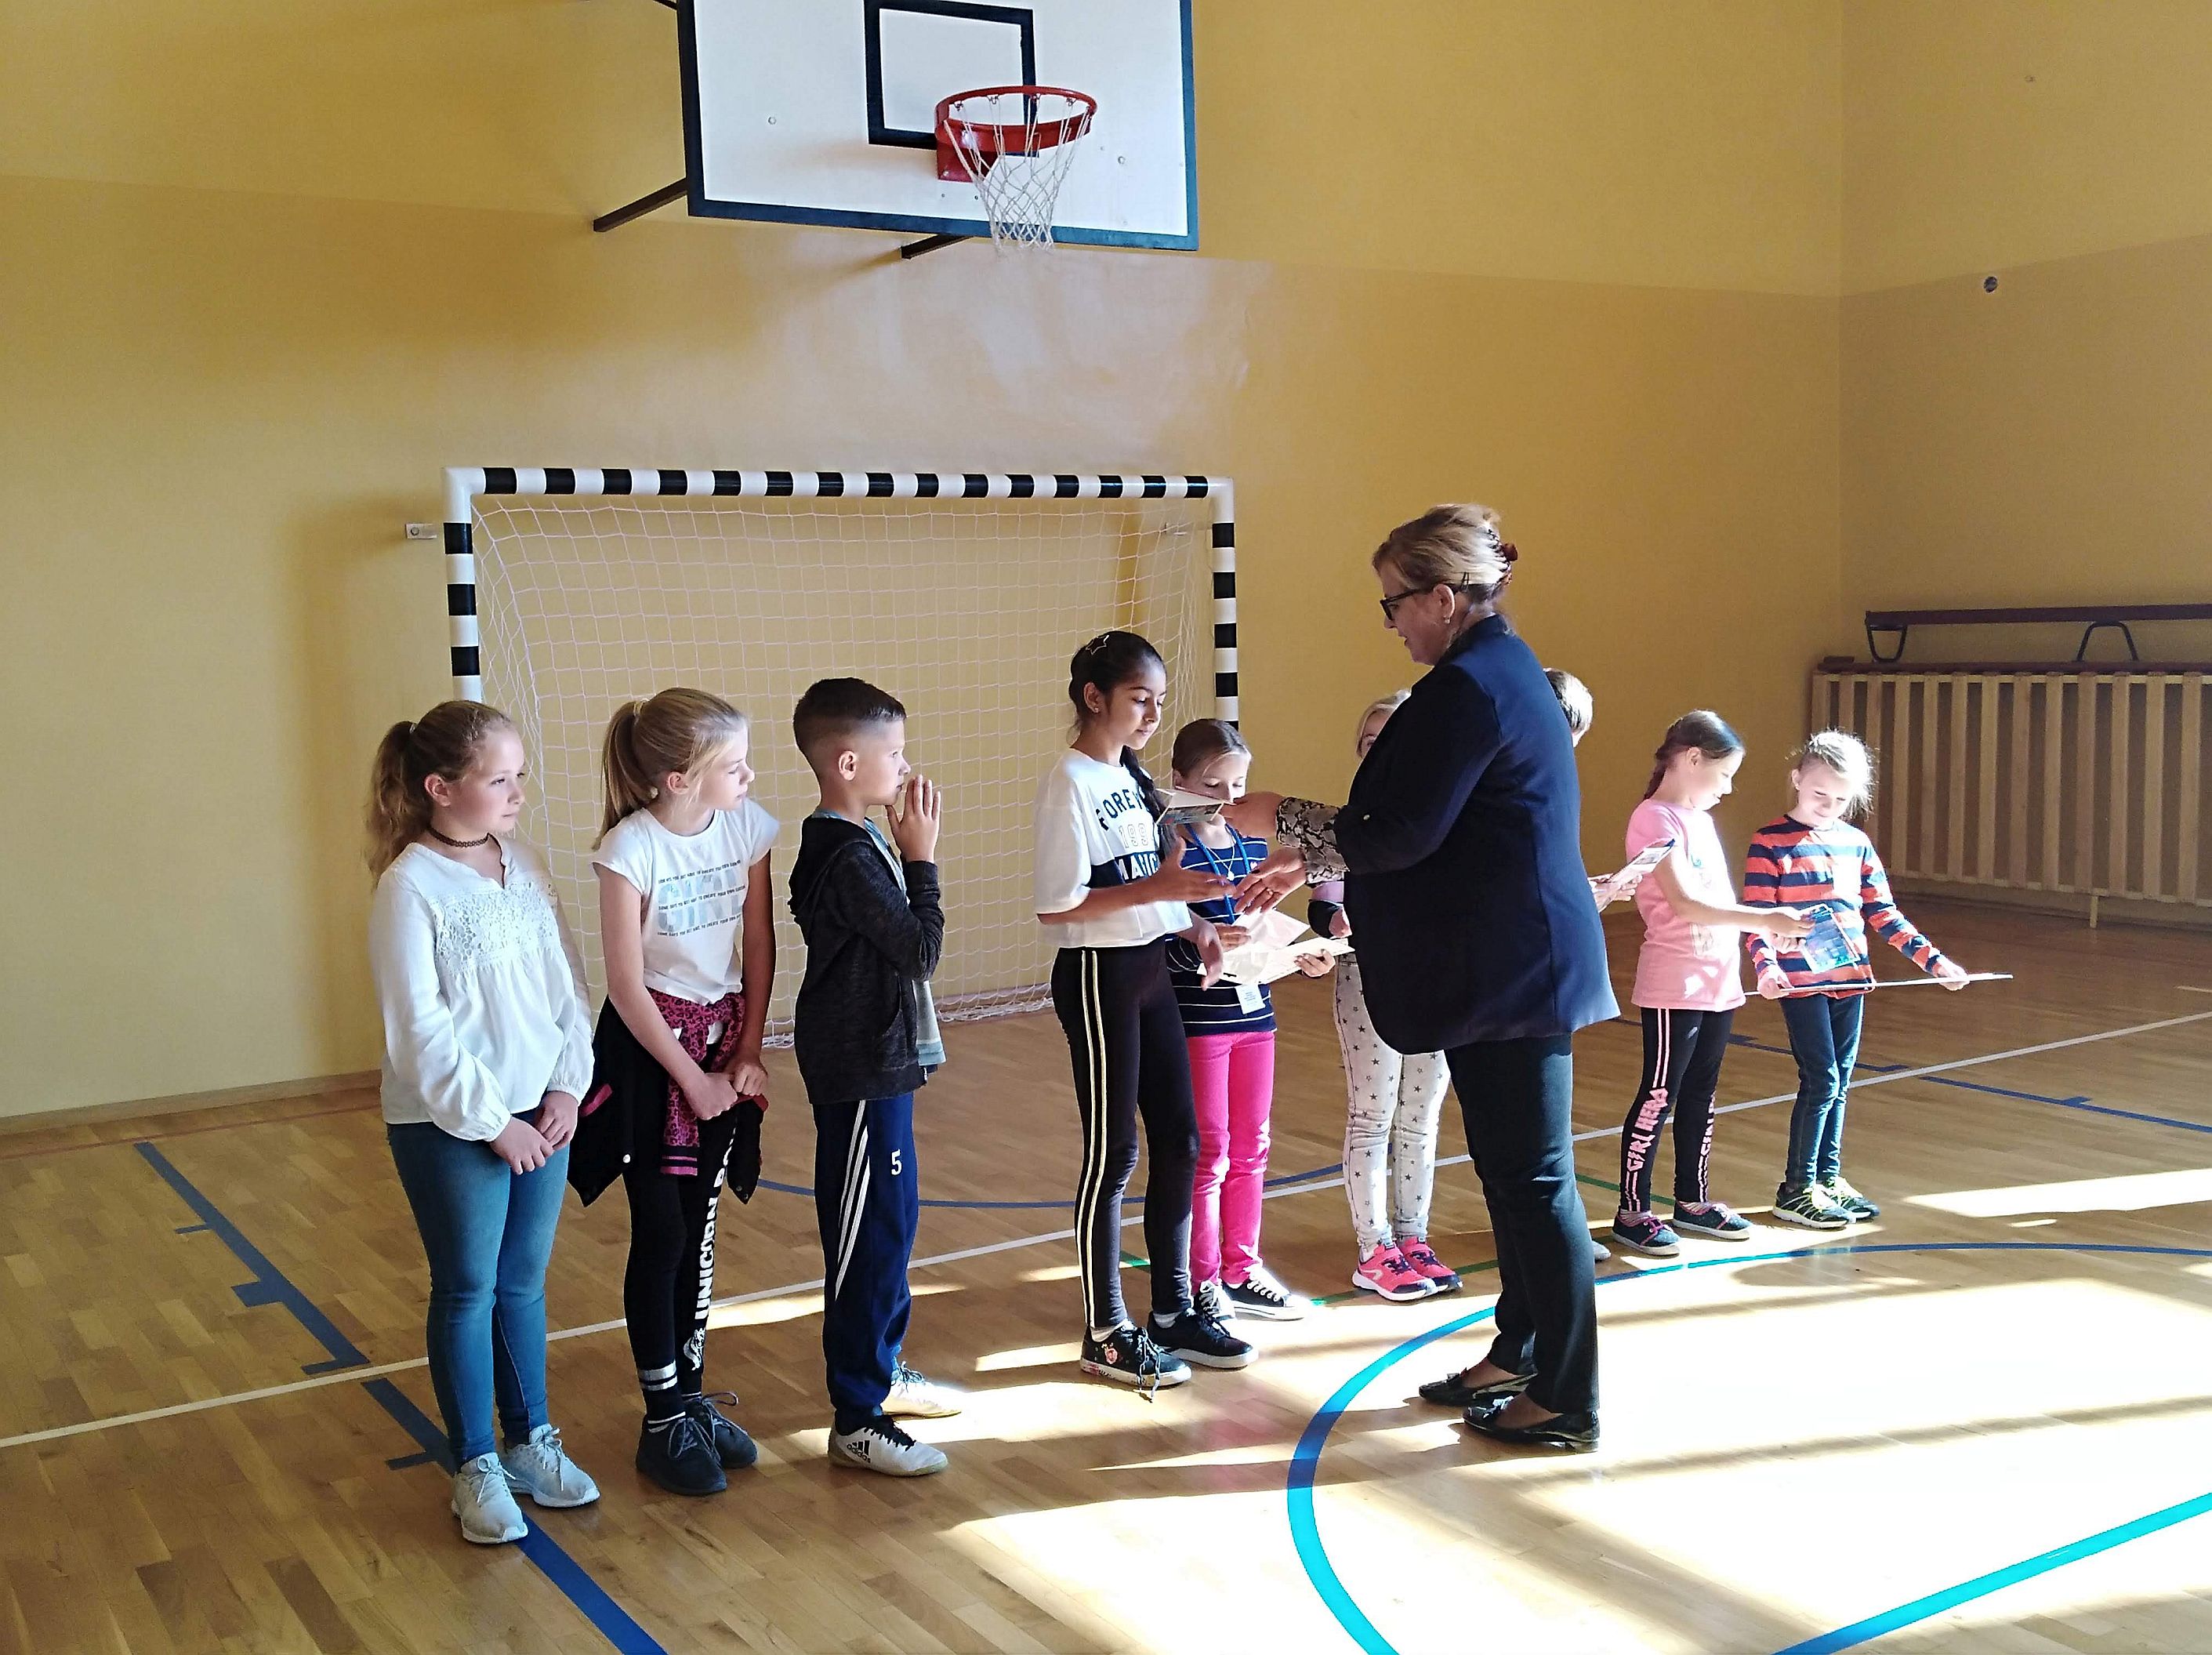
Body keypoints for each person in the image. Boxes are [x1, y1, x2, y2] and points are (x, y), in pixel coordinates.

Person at [1227, 503, 1615, 1451]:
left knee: (1534, 1180)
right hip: (1501, 959)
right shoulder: (1494, 669)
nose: (1391, 622)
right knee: (1511, 1175)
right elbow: (1426, 820)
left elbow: (1403, 830)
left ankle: (1566, 1393)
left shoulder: (1471, 686)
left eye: (1394, 603)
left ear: (1442, 598)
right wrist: (1308, 849)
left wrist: (1286, 818)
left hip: (1514, 963)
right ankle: (1519, 1348)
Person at [365, 701, 601, 1544]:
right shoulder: (408, 888)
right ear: (440, 788)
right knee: (467, 1286)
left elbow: (568, 984)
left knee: (522, 1283)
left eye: (518, 776)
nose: (517, 793)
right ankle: (474, 1463)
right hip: (453, 1124)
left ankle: (531, 1439)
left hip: (543, 1112)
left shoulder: (524, 863)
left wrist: (567, 1086)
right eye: (499, 779)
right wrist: (494, 1122)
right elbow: (419, 1033)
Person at [1033, 630, 1253, 1389]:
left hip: (1150, 967)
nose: (1154, 715)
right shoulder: (1069, 781)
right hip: (1099, 976)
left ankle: (1172, 1309)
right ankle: (1104, 1330)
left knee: (1182, 1139)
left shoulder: (1130, 777)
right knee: (1114, 1152)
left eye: (1160, 701)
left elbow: (1148, 881)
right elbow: (1057, 904)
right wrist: (1160, 892)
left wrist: (1192, 925)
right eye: (1139, 699)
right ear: (1094, 697)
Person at [572, 688, 774, 1497]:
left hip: (722, 1041)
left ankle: (690, 1396)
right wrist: (689, 1078)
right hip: (651, 1051)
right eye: (734, 765)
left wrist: (749, 1047)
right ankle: (661, 1415)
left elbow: (757, 940)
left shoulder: (746, 826)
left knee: (699, 1230)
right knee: (660, 1229)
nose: (749, 776)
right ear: (677, 778)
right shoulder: (629, 849)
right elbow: (626, 985)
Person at [788, 677, 960, 1476]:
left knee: (892, 1224)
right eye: (894, 752)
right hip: (856, 1068)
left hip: (878, 1064)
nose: (905, 766)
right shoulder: (846, 853)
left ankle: (882, 1369)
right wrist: (922, 859)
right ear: (848, 763)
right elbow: (919, 950)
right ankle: (856, 1414)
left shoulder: (853, 841)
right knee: (868, 1238)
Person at [1746, 730, 1969, 1228]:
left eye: (1841, 800)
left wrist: (1935, 963)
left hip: (1851, 980)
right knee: (1821, 1079)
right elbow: (1757, 917)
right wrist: (1767, 967)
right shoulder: (1770, 842)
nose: (1829, 806)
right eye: (1819, 794)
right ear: (1796, 779)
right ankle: (1796, 1188)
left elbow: (1883, 914)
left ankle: (1827, 1178)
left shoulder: (1856, 843)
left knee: (1840, 1082)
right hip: (1802, 984)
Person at [1611, 713, 1812, 1257]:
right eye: (1724, 774)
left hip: (1718, 979)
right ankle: (1632, 1210)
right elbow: (1686, 904)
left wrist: (1765, 936)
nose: (1728, 788)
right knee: (1660, 1095)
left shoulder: (1698, 819)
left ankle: (1692, 1200)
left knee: (1703, 1093)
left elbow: (1719, 905)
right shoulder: (1653, 818)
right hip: (1674, 981)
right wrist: (1765, 918)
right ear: (1692, 758)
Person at [1164, 718, 1324, 1323]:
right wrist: (1202, 941)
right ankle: (1202, 1277)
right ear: (1179, 779)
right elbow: (1157, 934)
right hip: (1198, 1016)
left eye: (1238, 785)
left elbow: (1262, 928)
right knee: (1210, 1150)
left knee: (1253, 1144)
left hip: (1256, 1011)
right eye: (1212, 784)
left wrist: (1301, 953)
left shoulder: (1254, 845)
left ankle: (1241, 1267)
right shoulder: (1167, 849)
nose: (1227, 798)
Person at [1307, 694, 1460, 1301]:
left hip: (1435, 981)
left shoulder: (1442, 821)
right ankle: (1374, 1248)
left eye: (1390, 739)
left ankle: (1412, 1236)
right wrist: (1336, 921)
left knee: (1421, 1114)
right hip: (1368, 978)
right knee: (1373, 1113)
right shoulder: (1346, 827)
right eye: (1370, 740)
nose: (1379, 750)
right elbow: (1323, 905)